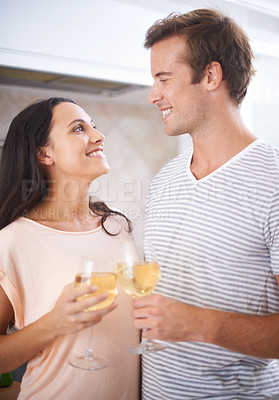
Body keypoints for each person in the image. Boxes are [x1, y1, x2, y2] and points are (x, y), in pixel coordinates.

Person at [131, 8, 279, 400]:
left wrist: (198, 324)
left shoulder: (274, 181)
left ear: (211, 76)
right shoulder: (165, 180)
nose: (152, 95)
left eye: (164, 79)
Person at [0, 97, 140, 400]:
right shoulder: (12, 242)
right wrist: (54, 323)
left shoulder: (118, 228)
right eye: (79, 128)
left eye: (94, 126)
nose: (98, 135)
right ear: (43, 153)